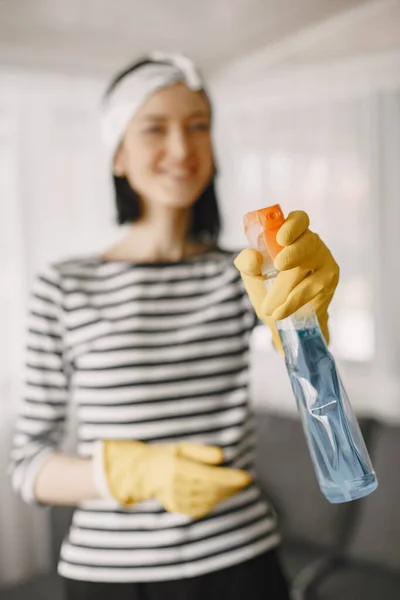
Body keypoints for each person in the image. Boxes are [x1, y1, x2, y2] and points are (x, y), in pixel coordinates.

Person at [9, 52, 339, 600]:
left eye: (198, 126)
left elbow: (317, 388)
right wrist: (130, 473)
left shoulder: (246, 271)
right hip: (109, 577)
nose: (183, 149)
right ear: (118, 153)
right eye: (155, 129)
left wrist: (313, 314)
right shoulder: (64, 287)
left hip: (243, 562)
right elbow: (28, 466)